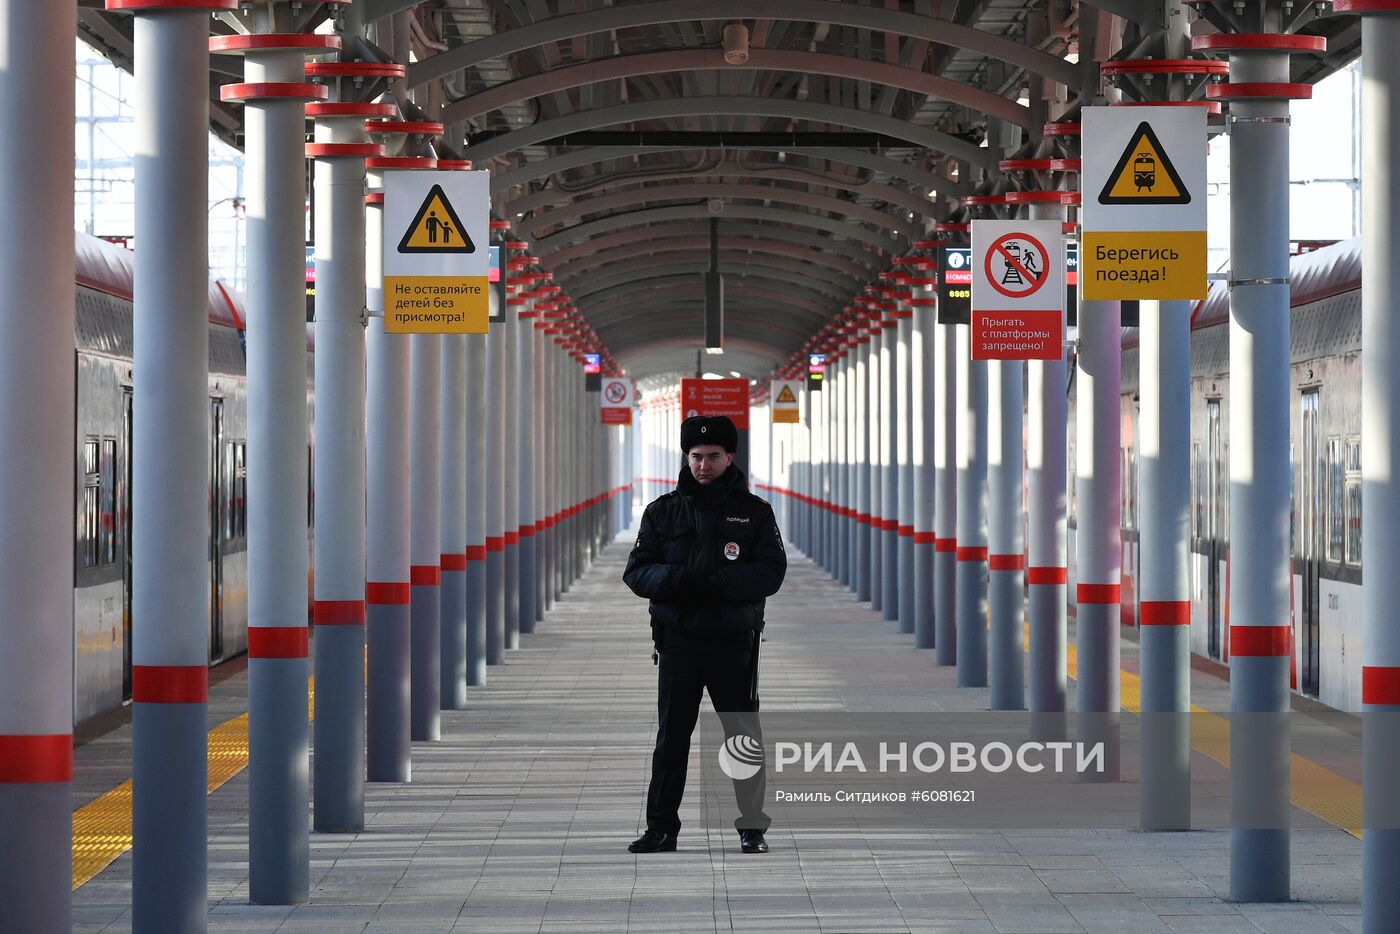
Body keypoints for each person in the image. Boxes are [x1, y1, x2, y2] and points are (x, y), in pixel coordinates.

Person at [623, 415, 787, 855]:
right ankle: (661, 829)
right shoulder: (662, 512)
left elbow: (772, 572)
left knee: (741, 735)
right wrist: (676, 580)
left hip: (733, 644)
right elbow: (636, 571)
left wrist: (721, 585)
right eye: (695, 456)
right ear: (686, 457)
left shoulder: (754, 513)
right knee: (671, 738)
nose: (703, 465)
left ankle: (752, 828)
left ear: (729, 457)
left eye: (713, 456)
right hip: (678, 642)